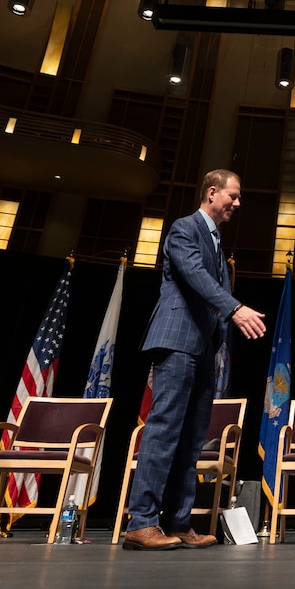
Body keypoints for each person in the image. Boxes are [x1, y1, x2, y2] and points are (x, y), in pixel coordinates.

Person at [122, 169, 267, 551]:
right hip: (176, 339)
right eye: (232, 196)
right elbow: (195, 276)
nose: (237, 203)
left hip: (203, 347)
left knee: (192, 439)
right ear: (212, 192)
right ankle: (141, 522)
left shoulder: (217, 240)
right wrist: (235, 309)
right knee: (164, 429)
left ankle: (178, 522)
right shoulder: (184, 228)